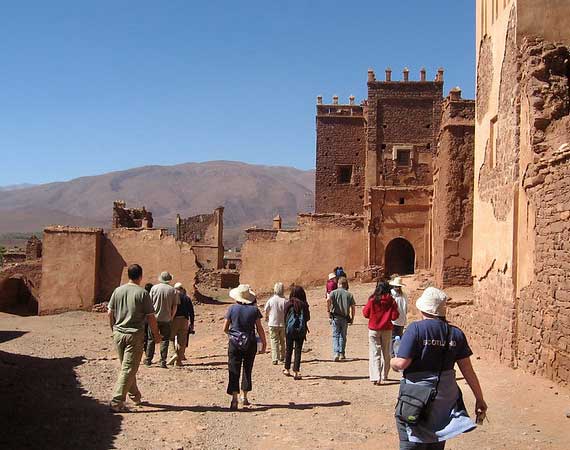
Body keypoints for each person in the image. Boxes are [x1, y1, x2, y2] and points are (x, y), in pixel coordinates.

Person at [391, 287, 488, 450]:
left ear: (422, 308)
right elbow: (467, 370)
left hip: (416, 397)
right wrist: (479, 398)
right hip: (444, 400)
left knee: (410, 439)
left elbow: (402, 364)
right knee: (437, 436)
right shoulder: (456, 334)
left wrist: (392, 361)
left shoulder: (416, 329)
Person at [107, 264, 161, 412]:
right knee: (128, 368)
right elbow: (151, 317)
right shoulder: (142, 293)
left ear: (128, 275)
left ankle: (135, 396)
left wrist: (113, 330)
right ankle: (117, 401)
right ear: (140, 276)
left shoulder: (117, 291)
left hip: (118, 333)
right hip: (134, 335)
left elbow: (110, 313)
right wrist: (156, 335)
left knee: (127, 367)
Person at [223, 284, 267, 410]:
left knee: (234, 369)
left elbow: (225, 328)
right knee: (247, 369)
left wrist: (233, 335)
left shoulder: (231, 309)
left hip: (234, 344)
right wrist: (264, 343)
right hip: (250, 343)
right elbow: (259, 328)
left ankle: (234, 399)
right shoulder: (254, 310)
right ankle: (244, 396)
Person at [363, 281, 399, 384]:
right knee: (386, 352)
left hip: (374, 329)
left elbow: (365, 313)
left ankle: (376, 376)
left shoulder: (372, 299)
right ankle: (384, 374)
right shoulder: (391, 301)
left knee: (375, 352)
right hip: (387, 329)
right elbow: (394, 316)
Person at [145, 271, 178, 368]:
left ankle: (148, 360)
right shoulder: (173, 290)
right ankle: (163, 361)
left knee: (151, 339)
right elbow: (175, 306)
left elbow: (149, 303)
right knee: (165, 340)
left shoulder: (154, 288)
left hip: (154, 318)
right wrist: (171, 317)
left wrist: (149, 316)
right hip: (166, 319)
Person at [283, 285, 311, 380]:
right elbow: (307, 318)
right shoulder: (304, 304)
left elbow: (284, 317)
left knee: (289, 349)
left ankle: (287, 369)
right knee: (298, 350)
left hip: (289, 330)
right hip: (301, 330)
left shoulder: (288, 304)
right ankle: (296, 371)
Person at [327, 276, 355, 361]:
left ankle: (336, 353)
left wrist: (328, 312)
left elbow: (328, 301)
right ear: (346, 285)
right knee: (343, 336)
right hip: (345, 318)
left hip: (335, 317)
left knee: (335, 335)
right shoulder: (349, 294)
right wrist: (352, 318)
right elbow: (353, 308)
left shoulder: (333, 293)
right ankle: (342, 353)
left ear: (338, 284)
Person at [168, 282, 195, 366]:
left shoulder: (172, 298)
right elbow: (191, 312)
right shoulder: (187, 298)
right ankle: (179, 361)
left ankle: (173, 354)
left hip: (174, 320)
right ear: (182, 289)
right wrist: (192, 323)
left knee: (170, 338)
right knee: (182, 341)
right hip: (184, 321)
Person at [264, 282, 287, 365]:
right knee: (282, 341)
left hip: (273, 323)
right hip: (283, 324)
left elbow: (266, 309)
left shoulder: (271, 300)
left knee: (274, 341)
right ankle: (282, 357)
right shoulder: (285, 300)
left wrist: (266, 317)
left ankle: (275, 358)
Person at [390, 277, 408, 356]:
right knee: (398, 337)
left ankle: (392, 353)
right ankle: (397, 352)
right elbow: (406, 308)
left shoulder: (392, 294)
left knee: (393, 337)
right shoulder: (404, 295)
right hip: (401, 320)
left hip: (394, 320)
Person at [142, 282, 153, 351]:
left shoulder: (142, 296)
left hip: (142, 319)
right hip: (149, 319)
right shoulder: (151, 297)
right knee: (149, 336)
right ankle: (147, 350)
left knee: (144, 335)